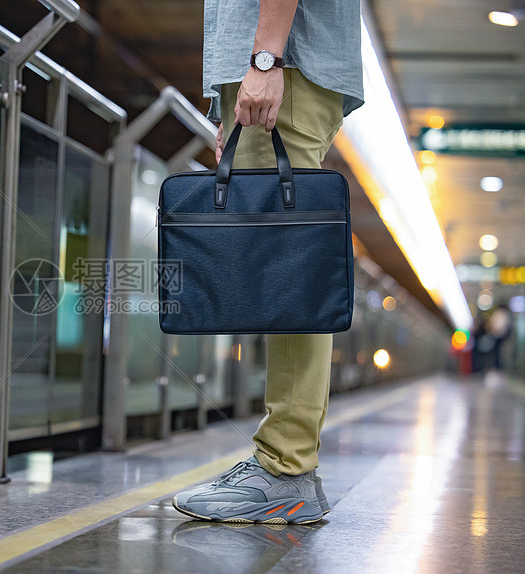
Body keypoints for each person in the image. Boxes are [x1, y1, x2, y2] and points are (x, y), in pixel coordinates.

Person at [172, 0, 364, 524]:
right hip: (289, 68)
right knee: (288, 269)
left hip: (288, 66)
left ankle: (285, 469)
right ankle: (285, 463)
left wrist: (263, 61)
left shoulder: (274, 64)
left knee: (292, 275)